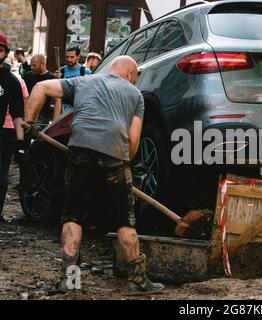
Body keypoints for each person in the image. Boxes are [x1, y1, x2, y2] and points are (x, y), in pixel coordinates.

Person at [25, 55, 164, 293]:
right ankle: (137, 280)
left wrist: (30, 122)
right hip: (114, 157)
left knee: (74, 215)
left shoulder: (83, 82)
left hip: (80, 151)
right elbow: (133, 140)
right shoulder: (135, 95)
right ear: (131, 74)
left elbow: (41, 87)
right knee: (124, 220)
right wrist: (124, 163)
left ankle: (70, 282)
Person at [0, 34, 25, 219]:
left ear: (5, 53)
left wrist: (21, 142)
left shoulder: (12, 82)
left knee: (1, 176)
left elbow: (17, 114)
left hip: (3, 134)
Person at [24, 54, 61, 123]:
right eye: (31, 65)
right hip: (27, 115)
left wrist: (55, 122)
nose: (31, 67)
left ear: (42, 64)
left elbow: (57, 100)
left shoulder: (51, 78)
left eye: (34, 65)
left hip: (43, 118)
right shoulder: (27, 76)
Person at [55, 47, 92, 114]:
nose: (69, 59)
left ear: (78, 56)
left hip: (80, 109)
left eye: (72, 57)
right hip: (63, 110)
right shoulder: (61, 71)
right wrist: (56, 80)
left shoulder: (85, 72)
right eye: (67, 57)